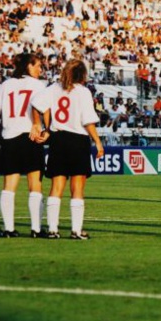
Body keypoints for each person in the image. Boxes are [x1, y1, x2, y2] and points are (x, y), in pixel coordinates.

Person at [31, 59, 104, 240]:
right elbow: (88, 121)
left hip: (58, 139)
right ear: (82, 75)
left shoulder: (54, 88)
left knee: (56, 186)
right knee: (77, 187)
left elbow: (36, 104)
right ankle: (76, 231)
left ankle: (52, 230)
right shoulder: (84, 92)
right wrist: (98, 142)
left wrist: (39, 125)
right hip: (78, 140)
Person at [0, 53, 47, 238]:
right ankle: (36, 229)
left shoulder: (5, 85)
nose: (40, 69)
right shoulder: (38, 85)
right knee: (35, 184)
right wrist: (45, 130)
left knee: (9, 185)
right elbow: (46, 111)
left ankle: (8, 229)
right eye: (38, 65)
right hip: (31, 136)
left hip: (10, 137)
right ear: (28, 66)